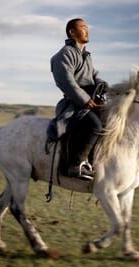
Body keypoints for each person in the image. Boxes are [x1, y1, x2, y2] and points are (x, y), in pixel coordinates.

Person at [47, 18, 109, 181]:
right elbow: (65, 81)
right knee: (94, 124)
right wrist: (84, 98)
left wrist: (103, 84)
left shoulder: (86, 55)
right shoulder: (64, 54)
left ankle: (94, 162)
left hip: (90, 100)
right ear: (71, 32)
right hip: (74, 104)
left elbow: (93, 76)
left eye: (87, 27)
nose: (87, 30)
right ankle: (75, 165)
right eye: (82, 27)